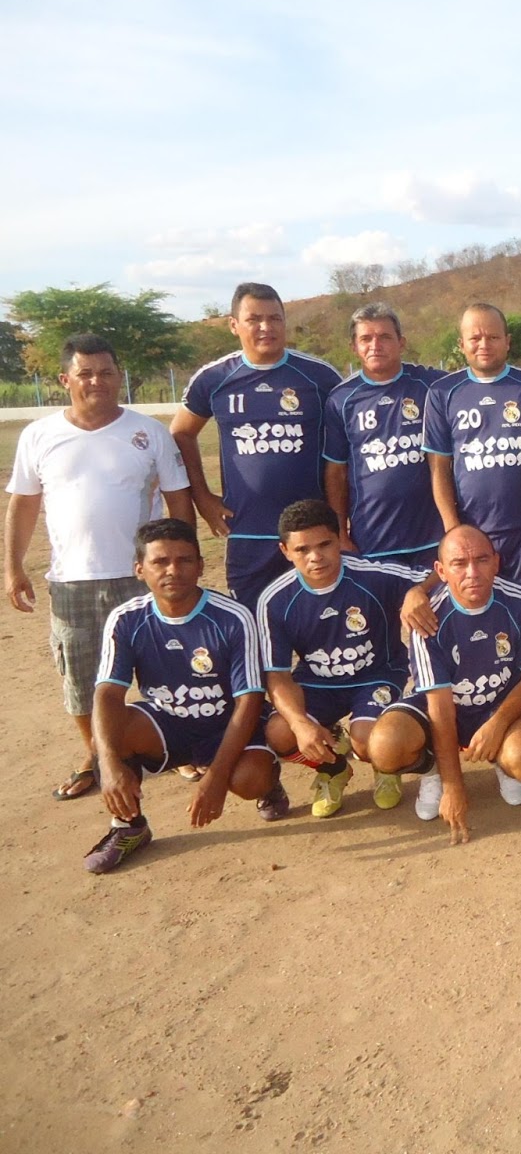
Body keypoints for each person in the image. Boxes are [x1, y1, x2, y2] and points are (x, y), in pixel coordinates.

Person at [5, 334, 193, 802]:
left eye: (106, 372)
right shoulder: (39, 435)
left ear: (119, 376)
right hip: (73, 580)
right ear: (64, 379)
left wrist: (182, 563)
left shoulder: (148, 432)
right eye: (85, 373)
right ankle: (96, 756)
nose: (97, 381)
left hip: (143, 577)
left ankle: (180, 747)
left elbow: (177, 499)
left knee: (166, 665)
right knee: (81, 675)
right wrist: (13, 567)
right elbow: (23, 505)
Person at [82, 519, 275, 873]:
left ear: (200, 566)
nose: (173, 570)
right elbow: (107, 693)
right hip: (169, 724)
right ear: (140, 569)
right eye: (160, 561)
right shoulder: (126, 619)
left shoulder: (233, 617)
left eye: (184, 560)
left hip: (227, 726)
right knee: (109, 734)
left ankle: (271, 786)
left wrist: (216, 778)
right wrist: (107, 765)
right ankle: (129, 828)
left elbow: (249, 700)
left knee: (250, 781)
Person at [365, 525, 521, 845]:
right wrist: (453, 786)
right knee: (384, 747)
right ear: (441, 570)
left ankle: (501, 759)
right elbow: (439, 709)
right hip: (442, 707)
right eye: (459, 564)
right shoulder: (427, 616)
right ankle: (432, 771)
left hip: (497, 705)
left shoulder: (519, 600)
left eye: (481, 560)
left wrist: (498, 724)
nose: (472, 573)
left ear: (496, 561)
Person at [171, 282, 342, 609]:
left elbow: (345, 450)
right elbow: (181, 433)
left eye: (275, 318)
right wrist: (203, 498)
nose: (266, 327)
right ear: (234, 325)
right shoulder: (213, 379)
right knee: (252, 627)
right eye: (254, 319)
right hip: (247, 532)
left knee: (320, 623)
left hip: (311, 536)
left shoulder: (319, 376)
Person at [256, 499, 425, 818]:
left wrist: (417, 591)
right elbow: (278, 675)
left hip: (377, 674)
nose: (315, 557)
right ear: (285, 551)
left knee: (366, 741)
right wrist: (301, 724)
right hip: (317, 682)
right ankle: (333, 769)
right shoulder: (274, 599)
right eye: (302, 549)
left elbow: (437, 575)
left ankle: (385, 768)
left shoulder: (372, 575)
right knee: (280, 732)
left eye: (324, 544)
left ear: (339, 540)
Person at [423, 303, 521, 597]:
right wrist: (454, 529)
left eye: (492, 337)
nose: (484, 345)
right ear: (461, 344)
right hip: (475, 534)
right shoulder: (442, 393)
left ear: (508, 341)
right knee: (484, 615)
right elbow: (439, 468)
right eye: (475, 338)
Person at [323, 302, 446, 568]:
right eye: (366, 338)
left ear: (401, 343)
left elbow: (477, 382)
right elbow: (336, 473)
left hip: (433, 538)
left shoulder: (431, 385)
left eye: (385, 337)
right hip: (373, 540)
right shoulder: (341, 399)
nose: (375, 345)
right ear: (353, 347)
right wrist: (340, 533)